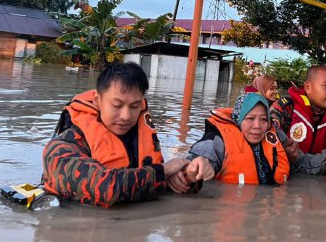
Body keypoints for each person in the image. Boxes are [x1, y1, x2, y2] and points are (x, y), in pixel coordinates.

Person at [42, 62, 214, 207]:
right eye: (117, 105)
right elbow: (105, 189)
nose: (126, 116)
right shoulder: (61, 149)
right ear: (97, 100)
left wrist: (189, 174)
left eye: (134, 106)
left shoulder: (138, 139)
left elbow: (152, 181)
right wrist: (165, 170)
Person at [187, 93, 289, 185]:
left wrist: (295, 157)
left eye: (263, 119)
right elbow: (196, 161)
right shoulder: (218, 142)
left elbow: (303, 164)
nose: (257, 126)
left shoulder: (277, 137)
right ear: (238, 120)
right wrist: (201, 165)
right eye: (250, 118)